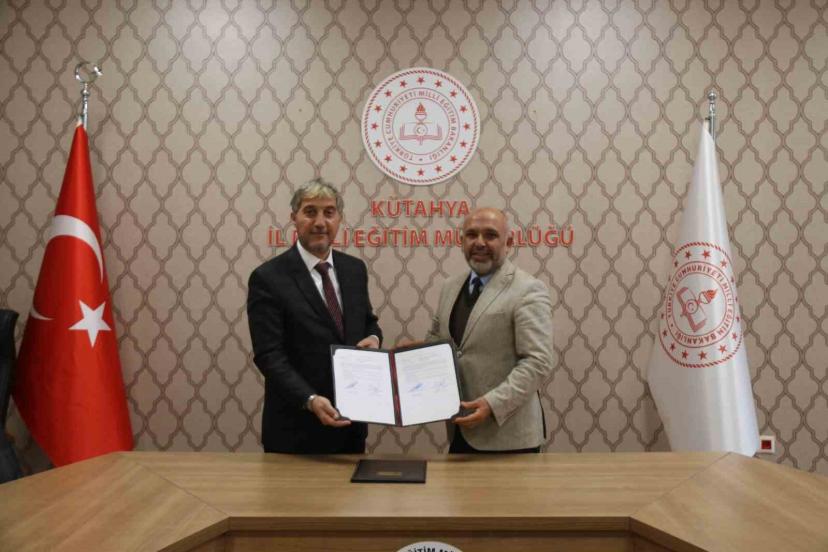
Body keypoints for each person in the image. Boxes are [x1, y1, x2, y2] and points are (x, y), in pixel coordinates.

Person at [247, 178, 382, 453]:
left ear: (339, 219)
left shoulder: (354, 269)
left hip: (351, 425)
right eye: (310, 212)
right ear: (294, 218)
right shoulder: (268, 278)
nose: (320, 222)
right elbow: (269, 355)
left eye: (329, 212)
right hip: (295, 430)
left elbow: (368, 321)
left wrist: (373, 338)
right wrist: (309, 399)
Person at [425, 207, 553, 453]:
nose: (480, 243)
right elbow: (438, 340)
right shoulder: (450, 286)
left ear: (509, 243)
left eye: (490, 235)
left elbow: (538, 362)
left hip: (508, 437)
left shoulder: (528, 289)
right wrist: (415, 355)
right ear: (462, 241)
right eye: (472, 235)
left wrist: (492, 404)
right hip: (460, 430)